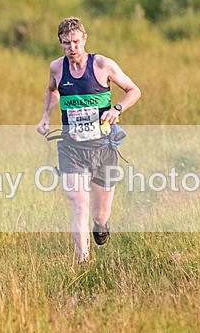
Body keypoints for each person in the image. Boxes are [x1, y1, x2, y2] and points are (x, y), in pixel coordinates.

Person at [37, 17, 142, 263]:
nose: (72, 47)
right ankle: (83, 262)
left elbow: (134, 90)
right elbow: (52, 90)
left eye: (75, 41)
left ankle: (101, 224)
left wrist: (117, 108)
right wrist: (45, 116)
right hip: (71, 148)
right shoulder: (57, 67)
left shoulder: (103, 64)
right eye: (66, 43)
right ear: (60, 43)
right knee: (78, 203)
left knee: (100, 214)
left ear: (84, 39)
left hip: (103, 147)